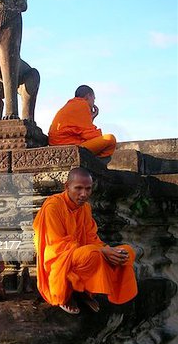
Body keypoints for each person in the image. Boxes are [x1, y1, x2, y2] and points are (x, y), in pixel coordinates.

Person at [33, 167, 138, 314]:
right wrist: (100, 250)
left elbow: (91, 238)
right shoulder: (53, 206)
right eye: (78, 188)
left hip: (81, 254)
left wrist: (108, 250)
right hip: (58, 262)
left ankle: (82, 290)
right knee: (92, 254)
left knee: (126, 252)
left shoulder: (85, 208)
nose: (84, 194)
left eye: (88, 189)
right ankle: (67, 292)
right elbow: (56, 247)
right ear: (67, 187)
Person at [48, 85, 116, 162]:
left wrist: (91, 118)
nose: (93, 103)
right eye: (93, 99)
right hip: (68, 148)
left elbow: (79, 129)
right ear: (88, 96)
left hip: (57, 146)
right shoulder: (83, 104)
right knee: (110, 139)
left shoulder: (72, 105)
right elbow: (90, 135)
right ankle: (95, 162)